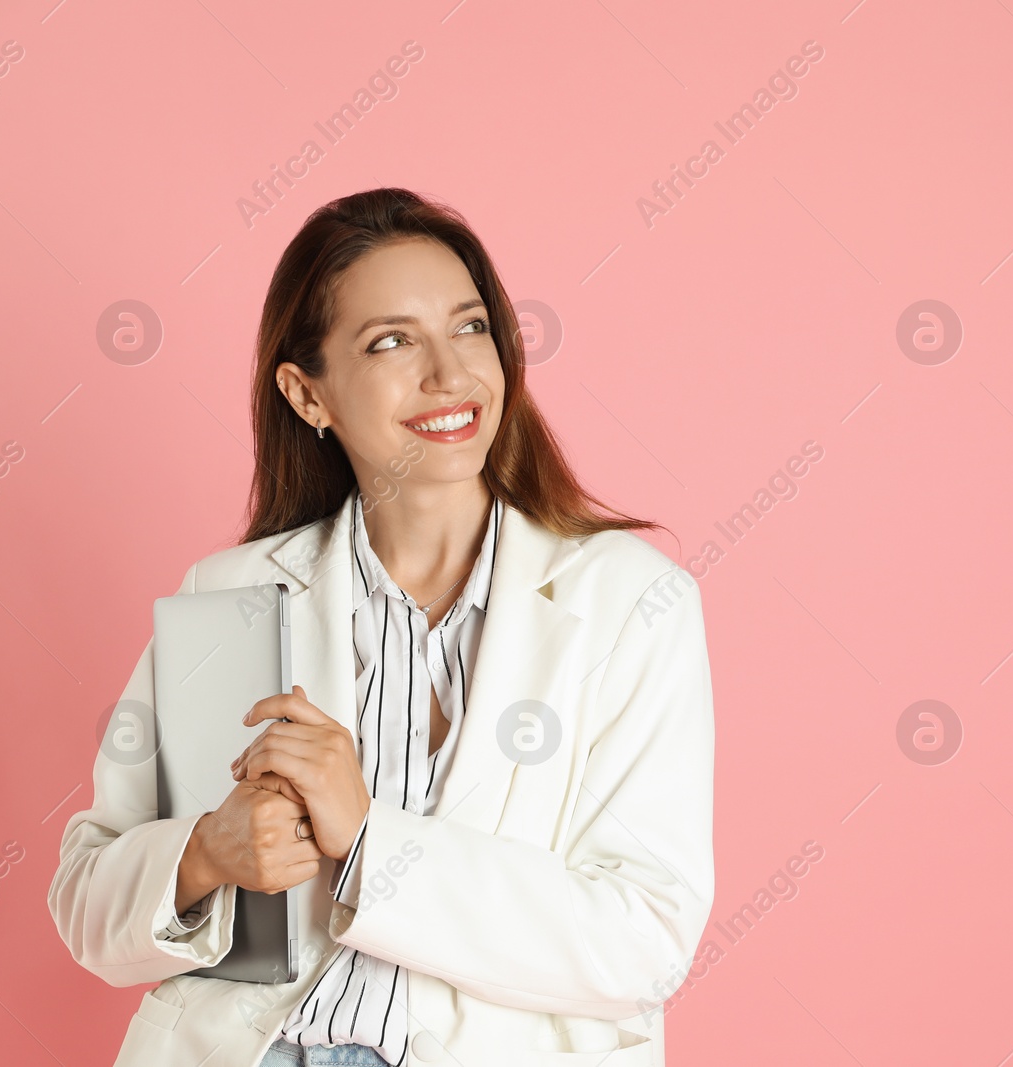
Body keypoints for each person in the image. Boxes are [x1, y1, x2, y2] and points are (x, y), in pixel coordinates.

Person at [47, 187, 715, 1066]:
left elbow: (646, 937)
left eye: (470, 327)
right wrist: (203, 854)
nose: (449, 374)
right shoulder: (232, 593)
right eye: (392, 340)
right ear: (306, 392)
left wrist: (369, 838)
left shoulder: (630, 602)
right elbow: (87, 902)